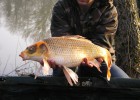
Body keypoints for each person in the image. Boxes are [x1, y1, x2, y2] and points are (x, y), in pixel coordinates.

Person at [50, 0, 129, 78]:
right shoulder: (61, 6)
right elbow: (60, 42)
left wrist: (90, 58)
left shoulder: (108, 9)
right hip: (66, 60)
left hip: (99, 59)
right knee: (58, 80)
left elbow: (101, 45)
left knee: (125, 85)